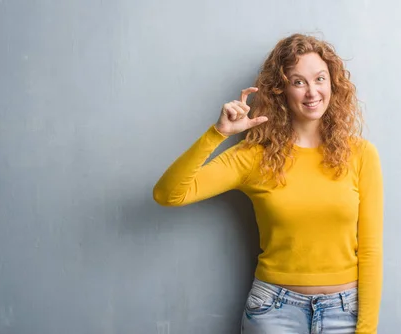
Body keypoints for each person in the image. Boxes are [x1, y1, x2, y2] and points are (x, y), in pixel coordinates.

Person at [153, 33, 383, 334]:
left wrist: (367, 330)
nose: (312, 92)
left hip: (344, 313)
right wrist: (217, 134)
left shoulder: (361, 154)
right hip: (274, 312)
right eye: (298, 82)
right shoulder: (254, 156)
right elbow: (168, 194)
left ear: (333, 83)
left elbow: (370, 250)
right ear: (281, 90)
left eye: (320, 79)